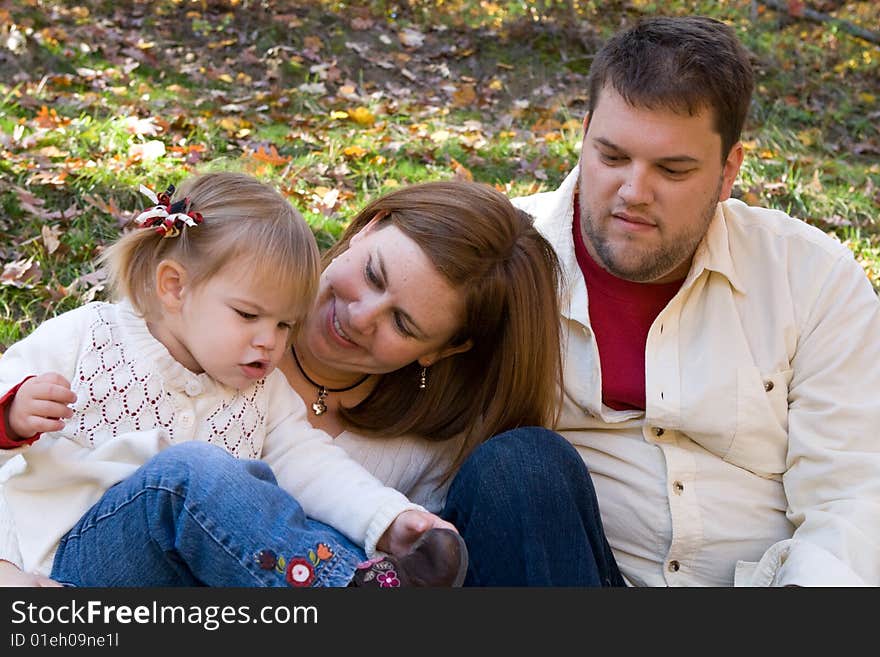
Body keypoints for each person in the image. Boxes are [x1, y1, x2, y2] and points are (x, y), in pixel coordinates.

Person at [510, 15, 880, 586]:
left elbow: (851, 494)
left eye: (672, 169)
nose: (633, 192)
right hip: (573, 572)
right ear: (583, 135)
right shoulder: (502, 256)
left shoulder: (811, 277)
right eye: (610, 157)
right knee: (515, 468)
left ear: (728, 169)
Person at [0, 171, 466, 588]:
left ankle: (366, 584)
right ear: (175, 287)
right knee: (187, 475)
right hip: (69, 564)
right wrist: (12, 416)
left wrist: (386, 518)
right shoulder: (92, 335)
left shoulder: (264, 392)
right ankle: (344, 589)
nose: (269, 341)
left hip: (183, 583)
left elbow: (313, 467)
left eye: (285, 324)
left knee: (284, 512)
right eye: (248, 314)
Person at [279, 180, 623, 586]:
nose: (360, 317)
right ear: (369, 227)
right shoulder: (223, 299)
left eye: (402, 324)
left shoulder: (431, 456)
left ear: (441, 350)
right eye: (373, 274)